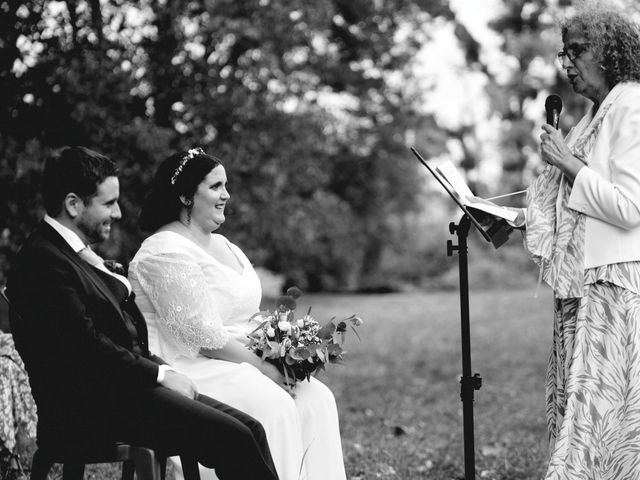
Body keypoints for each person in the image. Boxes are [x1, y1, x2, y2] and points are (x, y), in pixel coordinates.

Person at [6, 146, 279, 480]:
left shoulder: (78, 257)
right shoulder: (43, 262)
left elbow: (122, 337)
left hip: (126, 393)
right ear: (73, 204)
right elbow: (87, 347)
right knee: (234, 437)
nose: (119, 213)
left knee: (250, 427)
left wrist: (162, 370)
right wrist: (161, 376)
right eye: (108, 203)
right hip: (91, 411)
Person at [478, 3, 640, 478]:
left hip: (611, 286)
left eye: (577, 51)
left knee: (602, 419)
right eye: (563, 53)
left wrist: (568, 162)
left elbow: (630, 208)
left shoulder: (630, 105)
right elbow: (578, 210)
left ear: (608, 52)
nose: (566, 63)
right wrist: (516, 218)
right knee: (583, 414)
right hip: (581, 287)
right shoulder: (597, 111)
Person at [128, 148, 347, 480]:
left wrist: (284, 351)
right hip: (193, 367)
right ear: (186, 195)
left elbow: (249, 316)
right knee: (272, 404)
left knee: (316, 397)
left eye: (226, 185)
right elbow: (204, 340)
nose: (226, 195)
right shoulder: (163, 251)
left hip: (241, 356)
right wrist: (263, 367)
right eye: (216, 186)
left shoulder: (227, 245)